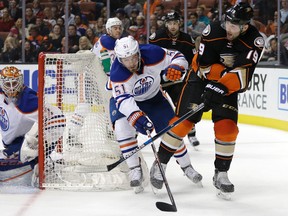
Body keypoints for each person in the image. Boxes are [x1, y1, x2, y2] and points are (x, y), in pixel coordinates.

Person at [150, 2, 265, 198]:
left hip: (227, 86)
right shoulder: (212, 31)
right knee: (182, 124)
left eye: (234, 26)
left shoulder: (255, 41)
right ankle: (160, 163)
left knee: (228, 129)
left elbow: (244, 75)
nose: (228, 28)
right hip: (200, 79)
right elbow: (203, 65)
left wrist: (222, 85)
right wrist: (219, 79)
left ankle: (221, 173)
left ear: (245, 27)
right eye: (227, 23)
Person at [110, 36, 202, 193]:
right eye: (126, 60)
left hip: (154, 98)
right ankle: (134, 169)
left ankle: (186, 166)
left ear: (138, 53)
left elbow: (178, 56)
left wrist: (176, 66)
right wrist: (135, 116)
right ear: (120, 59)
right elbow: (124, 100)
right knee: (122, 128)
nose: (131, 63)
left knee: (173, 131)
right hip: (126, 102)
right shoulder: (118, 73)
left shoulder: (153, 53)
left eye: (133, 58)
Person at [0, 66, 66, 186]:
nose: (11, 88)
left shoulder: (28, 100)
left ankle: (41, 162)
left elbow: (59, 119)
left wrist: (39, 144)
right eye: (7, 84)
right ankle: (39, 163)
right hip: (12, 145)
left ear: (20, 81)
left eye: (14, 83)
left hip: (22, 146)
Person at [149, 11, 200, 148]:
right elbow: (150, 58)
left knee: (182, 104)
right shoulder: (157, 37)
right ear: (166, 24)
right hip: (159, 78)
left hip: (177, 79)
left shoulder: (187, 39)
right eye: (170, 23)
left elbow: (192, 61)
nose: (172, 26)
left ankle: (191, 132)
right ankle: (134, 134)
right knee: (146, 102)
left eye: (175, 23)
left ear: (179, 24)